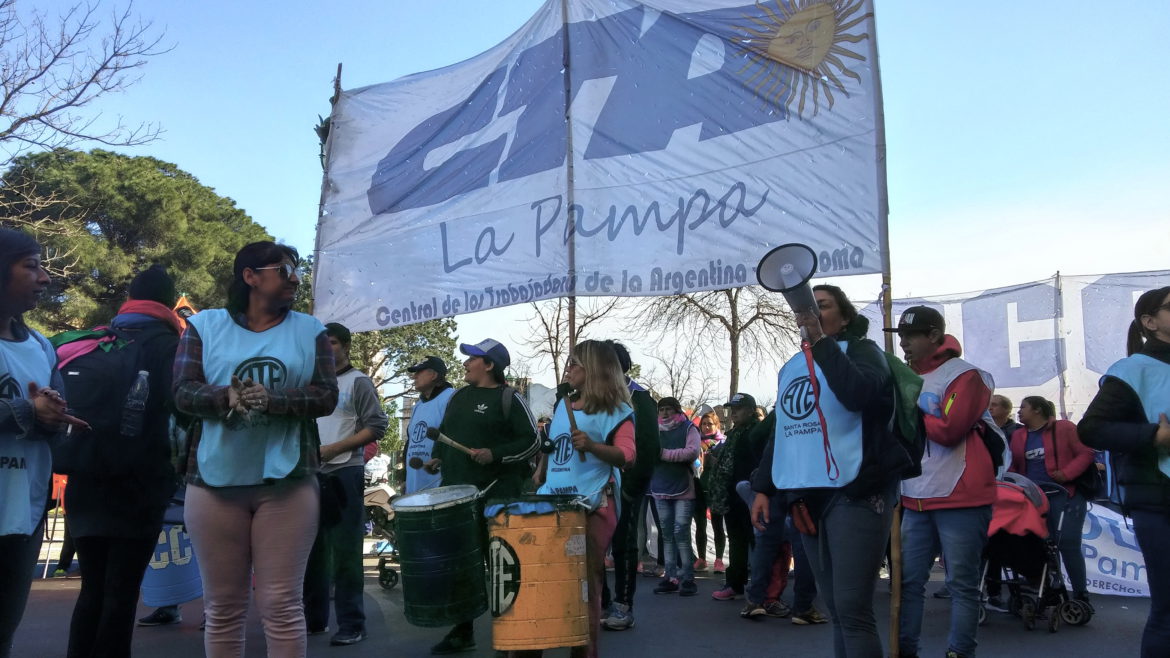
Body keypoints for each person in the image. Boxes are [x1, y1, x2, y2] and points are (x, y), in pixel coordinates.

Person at [173, 241, 338, 657]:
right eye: (284, 270)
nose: (296, 279)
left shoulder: (311, 330)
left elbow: (326, 396)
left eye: (297, 270)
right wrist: (225, 397)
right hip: (213, 481)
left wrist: (275, 401)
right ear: (250, 276)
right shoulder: (204, 327)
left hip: (287, 482)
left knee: (282, 605)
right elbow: (181, 392)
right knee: (223, 608)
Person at [751, 285, 907, 656]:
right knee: (837, 610)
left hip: (856, 490)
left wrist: (820, 342)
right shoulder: (793, 366)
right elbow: (785, 431)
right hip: (809, 495)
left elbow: (859, 394)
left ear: (846, 317)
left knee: (853, 610)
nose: (813, 314)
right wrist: (763, 487)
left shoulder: (865, 352)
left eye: (822, 306)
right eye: (808, 308)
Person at [63, 264, 184, 657]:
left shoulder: (98, 339)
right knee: (122, 592)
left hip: (85, 479)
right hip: (141, 482)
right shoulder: (172, 346)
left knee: (92, 590)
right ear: (169, 302)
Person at [890, 305, 999, 658]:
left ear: (934, 336)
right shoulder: (904, 376)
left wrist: (913, 410)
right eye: (901, 336)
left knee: (961, 585)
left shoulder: (966, 375)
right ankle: (905, 649)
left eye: (911, 336)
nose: (904, 343)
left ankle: (959, 651)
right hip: (915, 495)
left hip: (961, 496)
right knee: (907, 583)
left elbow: (951, 431)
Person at [424, 338, 539, 655]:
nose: (464, 363)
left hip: (497, 497)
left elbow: (532, 442)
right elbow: (445, 432)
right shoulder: (458, 396)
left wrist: (496, 454)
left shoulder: (509, 399)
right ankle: (463, 631)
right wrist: (438, 456)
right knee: (462, 565)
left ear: (488, 365)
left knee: (502, 567)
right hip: (458, 497)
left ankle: (514, 633)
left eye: (471, 359)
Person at [0, 228, 80, 658]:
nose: (45, 278)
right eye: (30, 265)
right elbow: (31, 412)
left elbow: (54, 417)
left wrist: (54, 414)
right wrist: (28, 412)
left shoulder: (41, 346)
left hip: (23, 514)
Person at [1079, 286, 1170, 657]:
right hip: (1159, 501)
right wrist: (1154, 435)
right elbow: (1091, 429)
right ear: (1150, 322)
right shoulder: (1133, 370)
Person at [533, 339, 635, 658]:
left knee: (583, 586)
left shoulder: (617, 410)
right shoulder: (563, 406)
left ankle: (584, 652)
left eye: (575, 363)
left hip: (593, 507)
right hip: (553, 505)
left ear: (594, 369)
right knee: (543, 579)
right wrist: (541, 470)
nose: (568, 368)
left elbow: (627, 456)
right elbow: (555, 448)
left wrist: (593, 446)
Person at [303, 322, 388, 646]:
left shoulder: (358, 382)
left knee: (346, 551)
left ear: (347, 346)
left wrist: (335, 449)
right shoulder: (310, 385)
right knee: (311, 551)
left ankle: (353, 624)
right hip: (310, 474)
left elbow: (377, 426)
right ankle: (314, 620)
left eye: (334, 342)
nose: (328, 348)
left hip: (345, 472)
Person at [1007, 395, 1094, 608]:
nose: (1019, 412)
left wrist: (1066, 473)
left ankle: (1081, 594)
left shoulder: (1064, 428)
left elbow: (1086, 453)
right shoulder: (1018, 435)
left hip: (1067, 495)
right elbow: (1014, 465)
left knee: (1068, 544)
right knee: (1040, 545)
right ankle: (1049, 589)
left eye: (1024, 407)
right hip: (1035, 499)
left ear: (1037, 410)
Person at [600, 341, 659, 631]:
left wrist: (629, 490)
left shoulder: (639, 398)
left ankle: (623, 606)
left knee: (624, 545)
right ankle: (600, 601)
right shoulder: (591, 397)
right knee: (592, 547)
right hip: (593, 489)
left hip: (623, 489)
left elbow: (649, 448)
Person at [707, 393, 761, 601]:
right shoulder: (733, 435)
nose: (734, 413)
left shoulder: (757, 433)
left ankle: (761, 587)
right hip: (732, 497)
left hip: (752, 497)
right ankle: (735, 584)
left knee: (757, 543)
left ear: (750, 410)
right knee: (737, 541)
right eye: (732, 409)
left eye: (738, 409)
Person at [648, 396, 701, 596]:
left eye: (669, 409)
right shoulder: (653, 430)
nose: (665, 413)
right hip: (660, 486)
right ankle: (670, 576)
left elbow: (692, 452)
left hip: (683, 489)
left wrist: (663, 454)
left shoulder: (689, 428)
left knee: (681, 533)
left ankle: (687, 578)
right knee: (667, 534)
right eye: (662, 409)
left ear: (677, 410)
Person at [404, 355, 454, 495]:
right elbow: (410, 442)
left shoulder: (452, 398)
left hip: (440, 489)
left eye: (419, 372)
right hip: (414, 487)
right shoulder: (418, 406)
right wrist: (405, 479)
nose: (414, 377)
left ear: (433, 375)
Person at [693, 411, 726, 573]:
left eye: (710, 424)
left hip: (716, 488)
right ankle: (701, 558)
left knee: (717, 524)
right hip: (698, 486)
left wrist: (715, 461)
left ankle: (719, 560)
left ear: (717, 425)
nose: (706, 427)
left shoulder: (723, 443)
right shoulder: (694, 442)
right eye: (704, 424)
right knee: (700, 524)